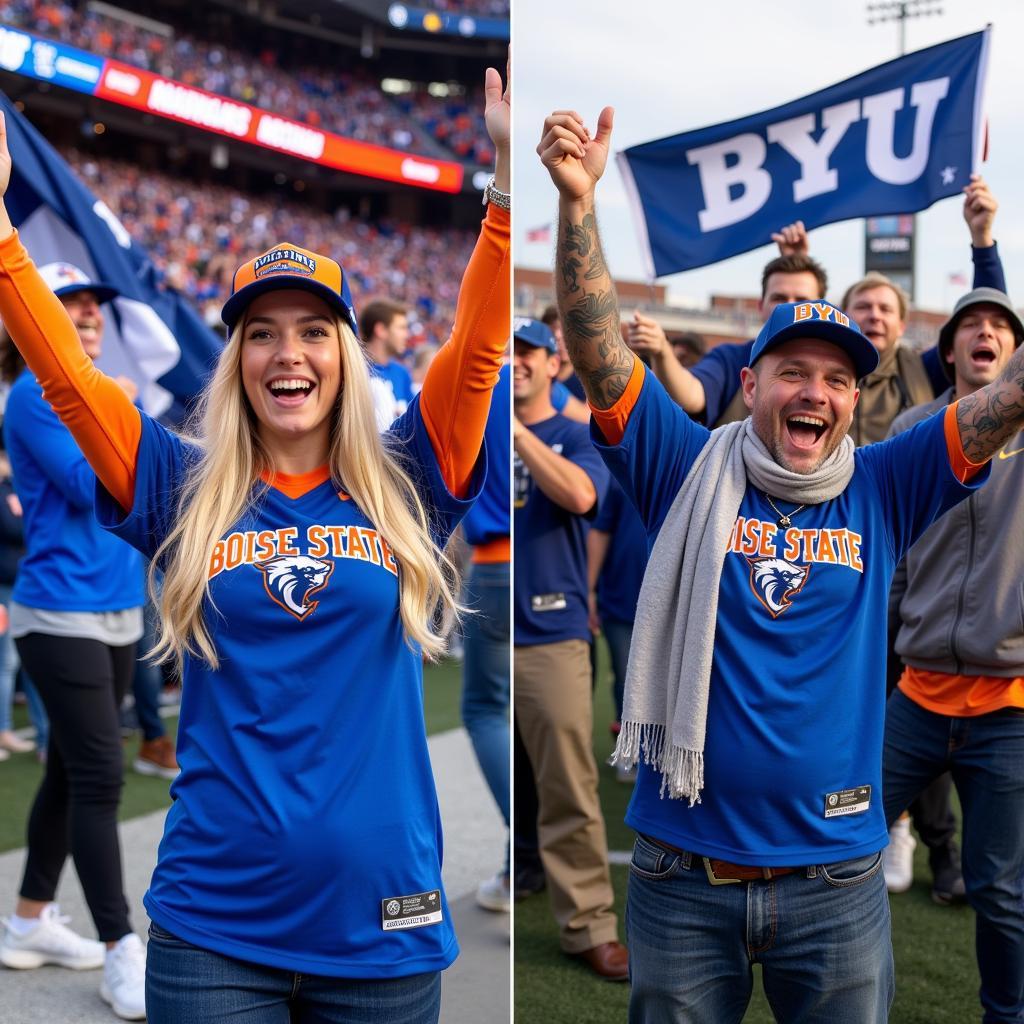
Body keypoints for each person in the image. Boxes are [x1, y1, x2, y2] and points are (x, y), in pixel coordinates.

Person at [0, 59, 509, 1024]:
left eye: (315, 331)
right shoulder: (178, 484)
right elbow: (67, 380)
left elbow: (477, 354)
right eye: (264, 334)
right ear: (237, 363)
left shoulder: (405, 477)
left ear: (345, 357)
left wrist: (505, 194)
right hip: (214, 926)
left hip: (383, 923)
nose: (289, 354)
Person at [539, 103, 1022, 1023]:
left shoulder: (885, 480)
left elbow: (1003, 403)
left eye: (839, 378)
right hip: (684, 876)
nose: (818, 392)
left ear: (855, 397)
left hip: (836, 881)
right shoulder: (686, 465)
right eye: (794, 371)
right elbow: (601, 359)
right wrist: (577, 206)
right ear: (749, 385)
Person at [0, 262, 148, 1020]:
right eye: (69, 306)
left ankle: (26, 920)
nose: (87, 315)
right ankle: (123, 947)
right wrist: (123, 409)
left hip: (116, 606)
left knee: (66, 772)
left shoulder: (93, 391)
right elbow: (100, 483)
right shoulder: (34, 392)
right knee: (99, 775)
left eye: (92, 305)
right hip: (59, 613)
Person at [884, 286, 1024, 1024]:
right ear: (947, 351)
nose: (985, 332)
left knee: (1000, 888)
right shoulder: (912, 429)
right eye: (969, 323)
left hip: (1009, 705)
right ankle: (843, 996)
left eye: (1001, 326)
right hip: (915, 692)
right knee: (840, 843)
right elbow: (895, 551)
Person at [512, 316, 627, 981]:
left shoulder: (574, 432)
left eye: (529, 352)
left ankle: (588, 924)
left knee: (569, 786)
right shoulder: (476, 425)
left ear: (553, 364)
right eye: (508, 353)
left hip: (546, 631)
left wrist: (518, 434)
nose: (517, 362)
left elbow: (582, 495)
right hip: (484, 625)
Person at [460, 362, 511, 913]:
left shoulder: (478, 385)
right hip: (544, 572)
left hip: (496, 564)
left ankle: (517, 845)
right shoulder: (555, 396)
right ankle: (512, 858)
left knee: (485, 711)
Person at [361, 298, 415, 430]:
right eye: (401, 328)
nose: (407, 335)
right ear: (381, 330)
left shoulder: (401, 373)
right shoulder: (353, 370)